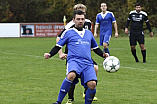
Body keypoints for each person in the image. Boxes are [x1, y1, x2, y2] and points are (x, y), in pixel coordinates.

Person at [44, 10, 109, 104]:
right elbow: (58, 45)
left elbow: (95, 48)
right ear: (74, 20)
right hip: (74, 61)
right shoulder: (68, 32)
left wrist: (103, 55)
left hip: (87, 63)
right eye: (78, 19)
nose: (80, 21)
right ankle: (58, 102)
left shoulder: (88, 33)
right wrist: (50, 54)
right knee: (71, 75)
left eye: (82, 19)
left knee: (92, 84)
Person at [56, 4, 98, 104]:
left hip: (84, 55)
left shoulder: (87, 23)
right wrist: (60, 53)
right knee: (72, 75)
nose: (82, 14)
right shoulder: (70, 25)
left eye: (83, 11)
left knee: (95, 68)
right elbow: (59, 38)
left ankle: (86, 90)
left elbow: (88, 38)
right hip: (72, 55)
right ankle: (70, 98)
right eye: (79, 11)